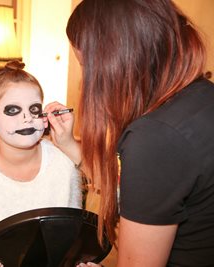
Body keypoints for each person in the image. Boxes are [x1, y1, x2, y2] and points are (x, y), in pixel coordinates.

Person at [45, 0, 214, 266]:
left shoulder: (157, 137)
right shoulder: (200, 97)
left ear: (116, 61)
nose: (87, 77)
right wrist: (69, 145)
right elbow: (145, 187)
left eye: (86, 64)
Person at [0, 61, 82, 267]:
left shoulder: (64, 166)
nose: (27, 118)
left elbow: (73, 228)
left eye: (34, 109)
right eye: (13, 110)